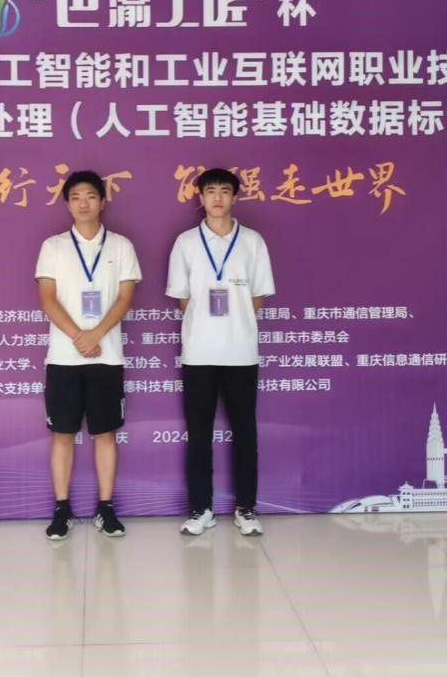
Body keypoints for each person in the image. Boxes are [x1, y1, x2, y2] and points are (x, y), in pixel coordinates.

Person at [165, 168, 275, 536]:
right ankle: (201, 509)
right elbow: (183, 299)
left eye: (224, 191)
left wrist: (233, 323)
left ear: (235, 197)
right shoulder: (185, 243)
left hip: (241, 351)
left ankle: (246, 508)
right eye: (210, 191)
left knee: (245, 432)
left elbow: (257, 297)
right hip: (199, 352)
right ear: (200, 198)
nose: (217, 197)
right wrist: (208, 326)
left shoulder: (253, 241)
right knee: (199, 434)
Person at [35, 170, 141, 540]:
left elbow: (125, 298)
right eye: (76, 197)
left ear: (102, 201)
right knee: (62, 434)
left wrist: (96, 335)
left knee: (105, 433)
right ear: (67, 203)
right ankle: (61, 509)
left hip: (106, 356)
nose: (83, 203)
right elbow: (48, 299)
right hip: (64, 357)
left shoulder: (121, 246)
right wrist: (79, 336)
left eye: (91, 196)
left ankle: (105, 508)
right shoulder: (53, 246)